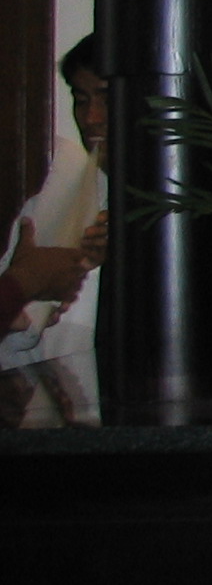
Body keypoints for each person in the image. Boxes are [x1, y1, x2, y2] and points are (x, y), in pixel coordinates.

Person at [0, 35, 110, 366]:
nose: (91, 118)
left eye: (107, 100)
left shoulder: (197, 195)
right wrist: (32, 281)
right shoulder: (55, 179)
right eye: (81, 100)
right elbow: (23, 328)